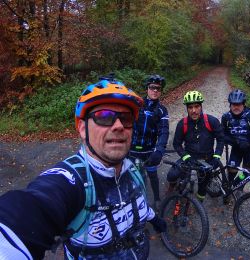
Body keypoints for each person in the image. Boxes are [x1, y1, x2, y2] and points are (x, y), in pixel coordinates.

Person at [0, 78, 166, 260]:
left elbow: (137, 201)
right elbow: (29, 210)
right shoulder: (72, 180)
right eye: (104, 116)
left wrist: (153, 218)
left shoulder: (132, 170)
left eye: (125, 118)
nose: (118, 126)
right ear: (82, 128)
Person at [167, 90, 225, 202]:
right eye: (190, 107)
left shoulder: (211, 121)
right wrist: (186, 157)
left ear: (201, 106)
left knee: (202, 186)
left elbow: (221, 139)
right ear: (187, 109)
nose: (194, 110)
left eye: (197, 106)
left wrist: (217, 157)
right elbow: (177, 144)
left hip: (207, 158)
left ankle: (199, 202)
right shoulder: (182, 124)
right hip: (189, 157)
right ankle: (175, 189)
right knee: (172, 174)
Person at [129, 74, 169, 211]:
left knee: (152, 175)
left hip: (149, 151)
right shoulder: (137, 104)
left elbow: (164, 131)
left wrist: (160, 150)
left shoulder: (162, 110)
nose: (155, 91)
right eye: (152, 88)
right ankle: (139, 205)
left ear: (161, 91)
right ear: (147, 89)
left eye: (158, 88)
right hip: (132, 150)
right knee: (135, 179)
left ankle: (157, 198)